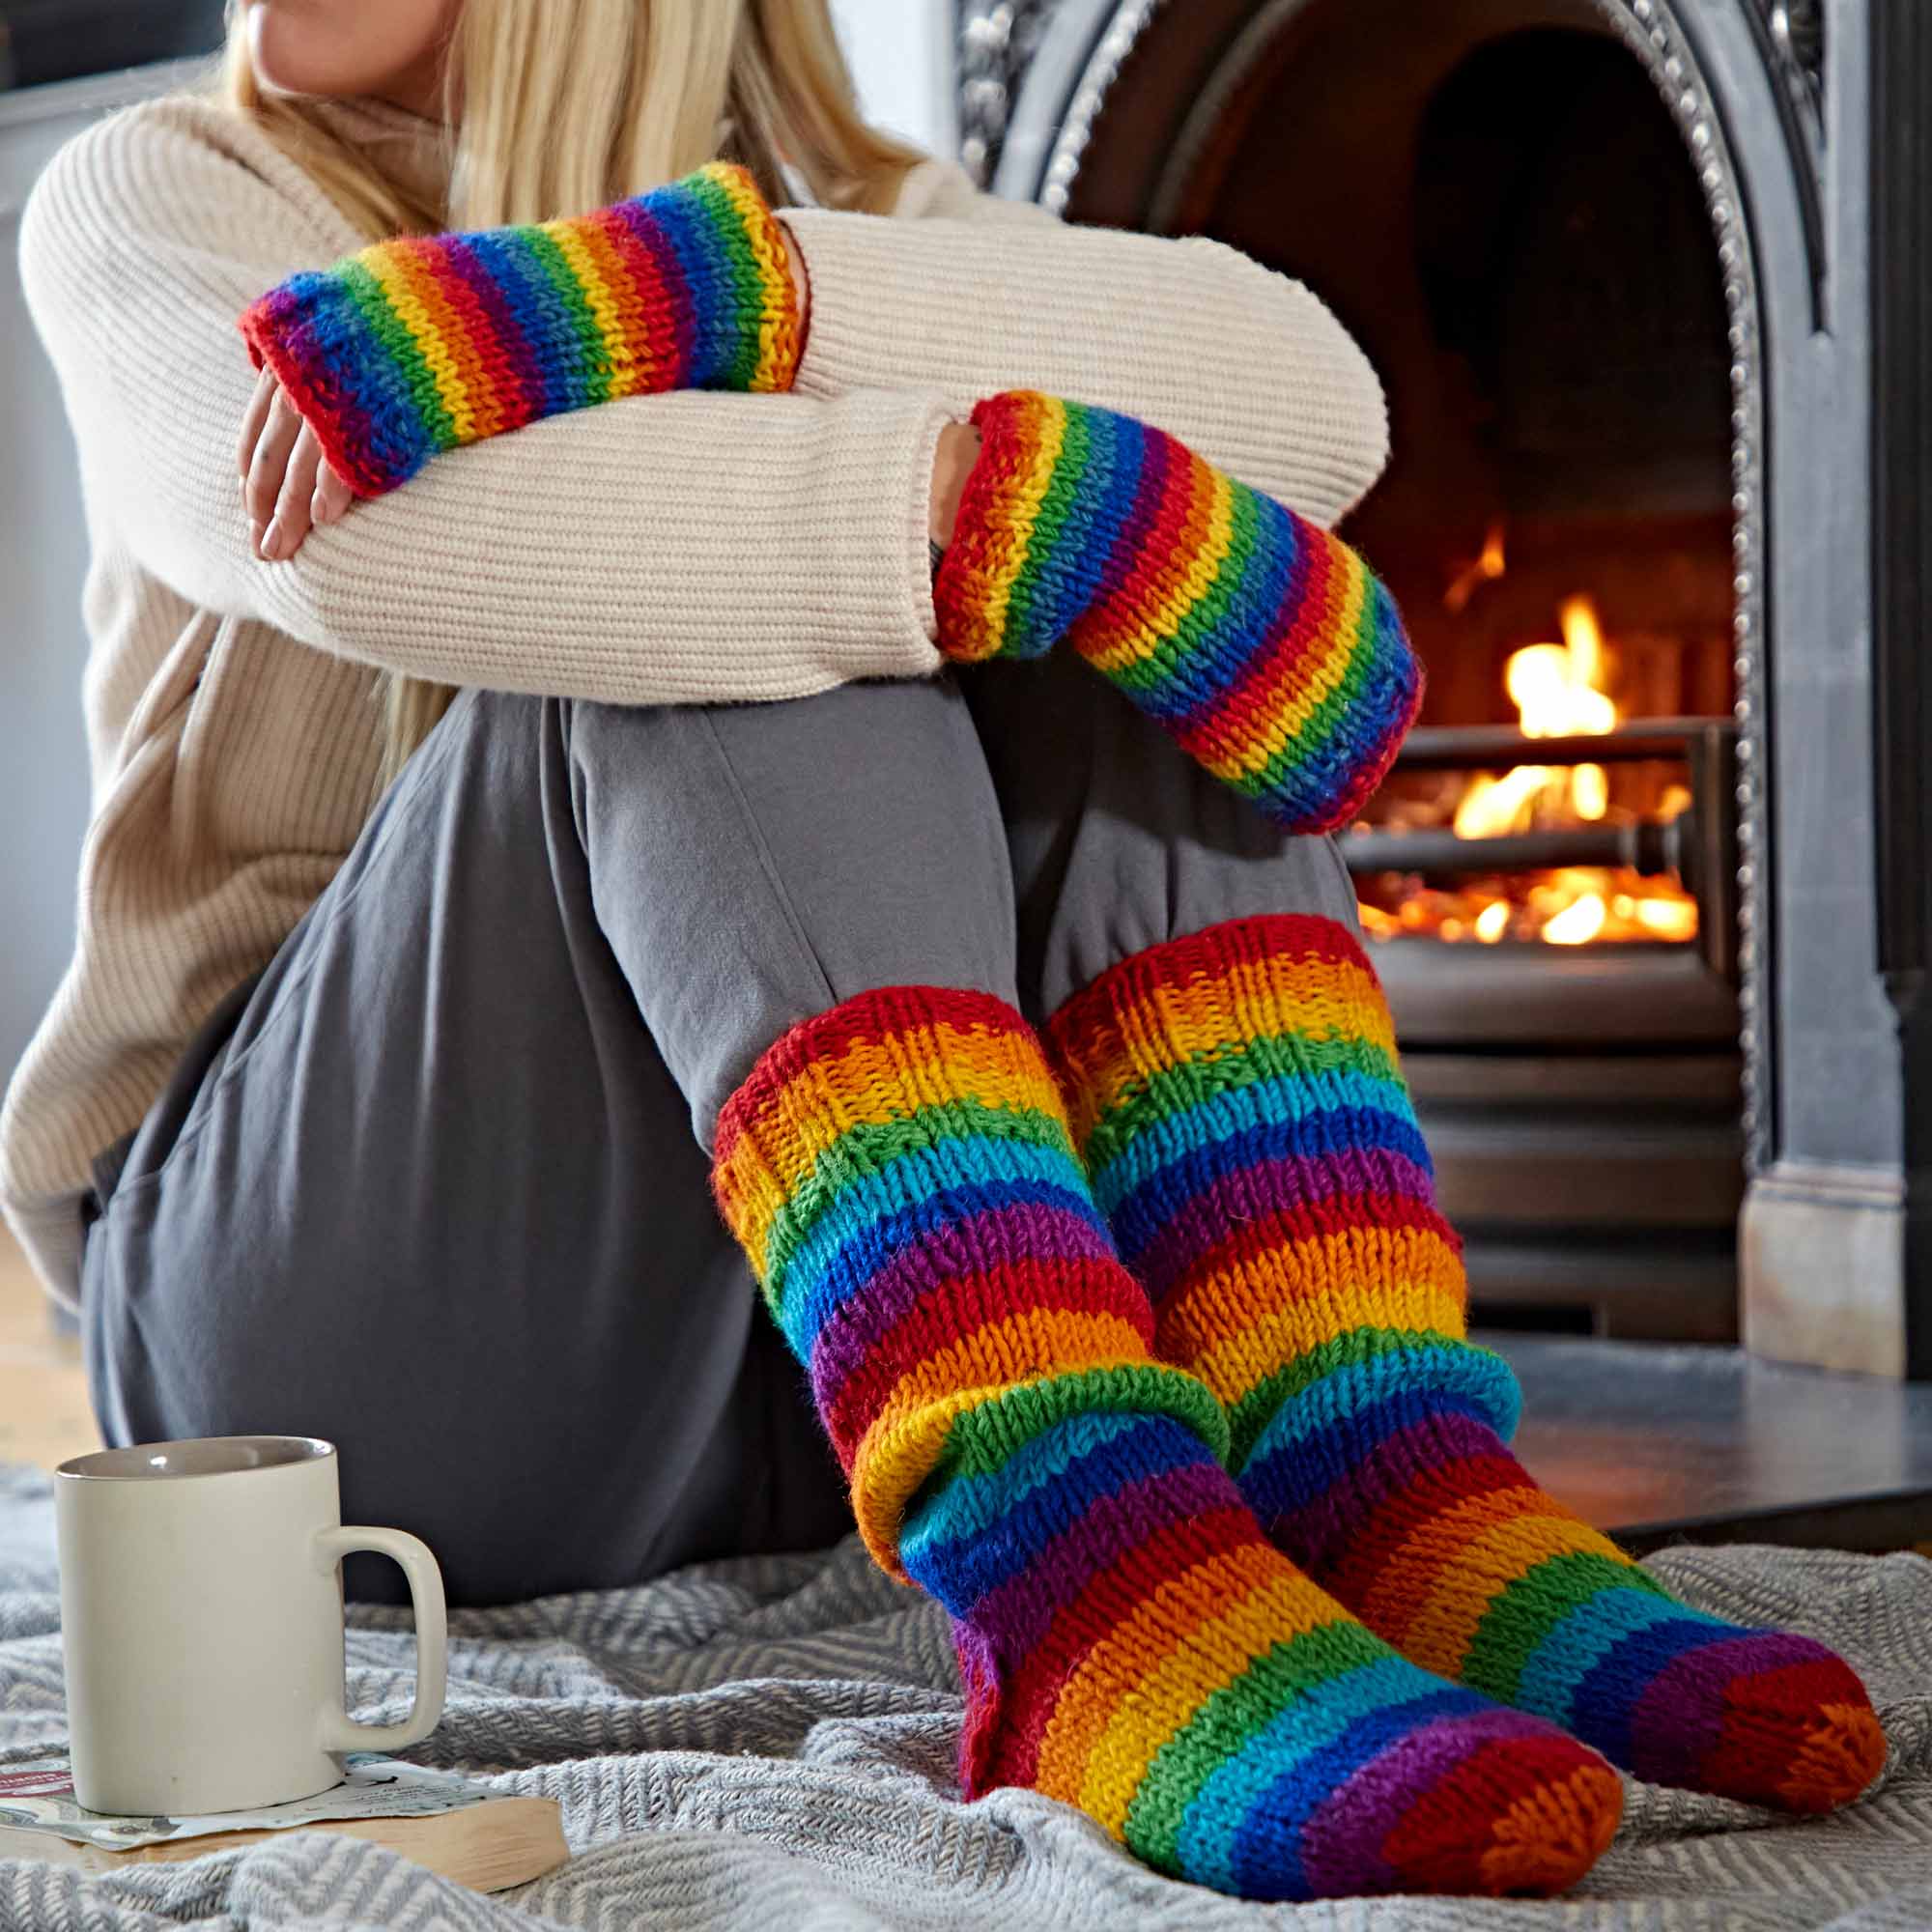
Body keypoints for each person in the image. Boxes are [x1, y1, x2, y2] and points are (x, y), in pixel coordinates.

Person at [3, 0, 1882, 1903]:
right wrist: (1036, 511)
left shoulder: (865, 220)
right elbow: (360, 555)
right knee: (763, 593)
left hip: (802, 1331)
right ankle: (1079, 1577)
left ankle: (1369, 1475)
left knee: (1128, 586)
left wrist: (695, 288)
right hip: (316, 1355)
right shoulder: (162, 193)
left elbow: (1313, 403)